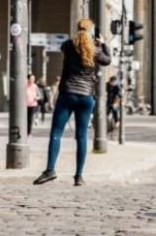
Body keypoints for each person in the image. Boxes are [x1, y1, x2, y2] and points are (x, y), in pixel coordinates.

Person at [34, 18, 111, 186]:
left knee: (56, 133)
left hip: (67, 95)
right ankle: (78, 176)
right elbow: (107, 60)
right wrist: (103, 44)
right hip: (86, 97)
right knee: (81, 136)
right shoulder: (95, 50)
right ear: (91, 32)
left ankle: (50, 170)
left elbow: (64, 47)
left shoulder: (68, 46)